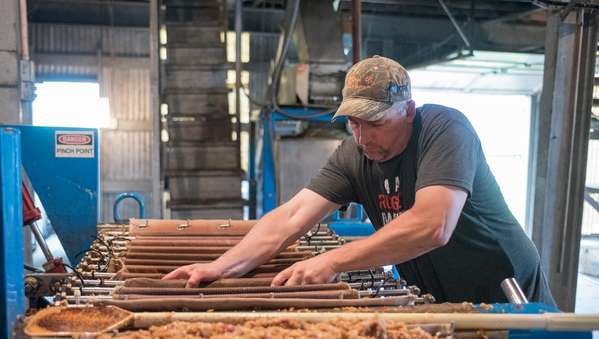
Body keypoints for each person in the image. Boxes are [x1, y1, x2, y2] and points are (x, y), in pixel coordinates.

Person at [164, 55, 555, 305]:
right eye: (353, 123)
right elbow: (292, 217)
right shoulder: (355, 154)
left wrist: (333, 260)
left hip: (506, 290)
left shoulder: (444, 128)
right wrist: (222, 266)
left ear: (408, 111)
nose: (364, 137)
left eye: (375, 123)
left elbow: (432, 225)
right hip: (439, 295)